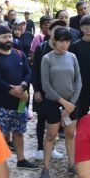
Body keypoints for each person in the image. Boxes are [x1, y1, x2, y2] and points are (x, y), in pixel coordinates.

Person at [0, 25, 37, 169]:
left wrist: (23, 86)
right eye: (4, 37)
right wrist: (13, 90)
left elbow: (28, 72)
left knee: (18, 132)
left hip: (19, 103)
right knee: (0, 134)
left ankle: (21, 160)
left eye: (10, 36)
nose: (8, 39)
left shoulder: (19, 54)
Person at [40, 27, 82, 178]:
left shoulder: (72, 57)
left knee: (71, 134)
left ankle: (72, 165)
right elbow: (46, 85)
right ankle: (46, 167)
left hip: (72, 103)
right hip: (53, 102)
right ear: (54, 41)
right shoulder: (47, 58)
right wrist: (63, 103)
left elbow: (78, 81)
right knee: (51, 135)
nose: (65, 44)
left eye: (67, 41)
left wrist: (71, 103)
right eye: (61, 41)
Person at [31, 19, 67, 162]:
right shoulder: (42, 47)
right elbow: (35, 71)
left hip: (59, 93)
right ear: (50, 31)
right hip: (43, 91)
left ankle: (51, 148)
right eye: (55, 29)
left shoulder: (66, 48)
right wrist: (37, 90)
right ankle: (40, 147)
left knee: (55, 120)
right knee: (41, 118)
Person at [70, 15, 90, 118]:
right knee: (81, 112)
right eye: (85, 26)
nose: (88, 28)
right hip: (81, 84)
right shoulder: (75, 45)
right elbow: (72, 65)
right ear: (81, 28)